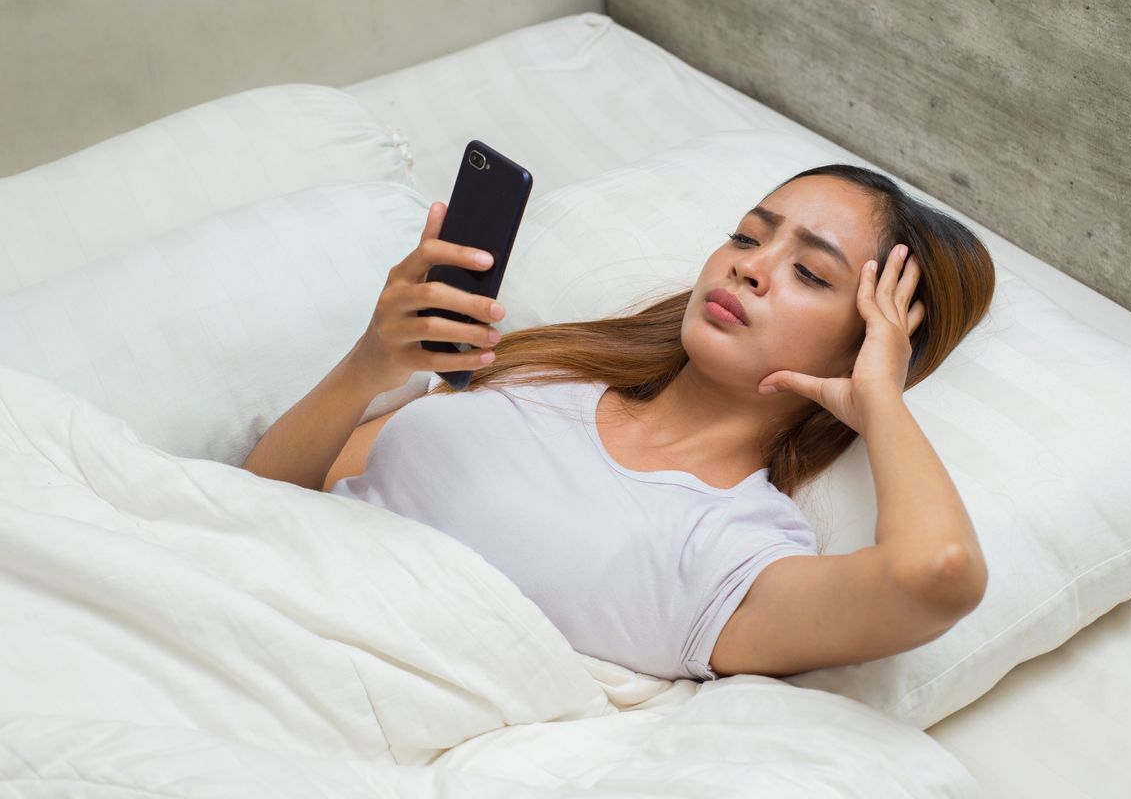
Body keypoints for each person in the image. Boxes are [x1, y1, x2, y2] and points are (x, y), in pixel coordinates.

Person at [242, 164, 996, 681]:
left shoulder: (735, 549)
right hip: (250, 601)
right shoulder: (543, 368)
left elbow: (938, 576)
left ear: (863, 348)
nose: (749, 266)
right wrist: (368, 365)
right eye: (747, 236)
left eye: (809, 272)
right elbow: (260, 498)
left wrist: (881, 400)